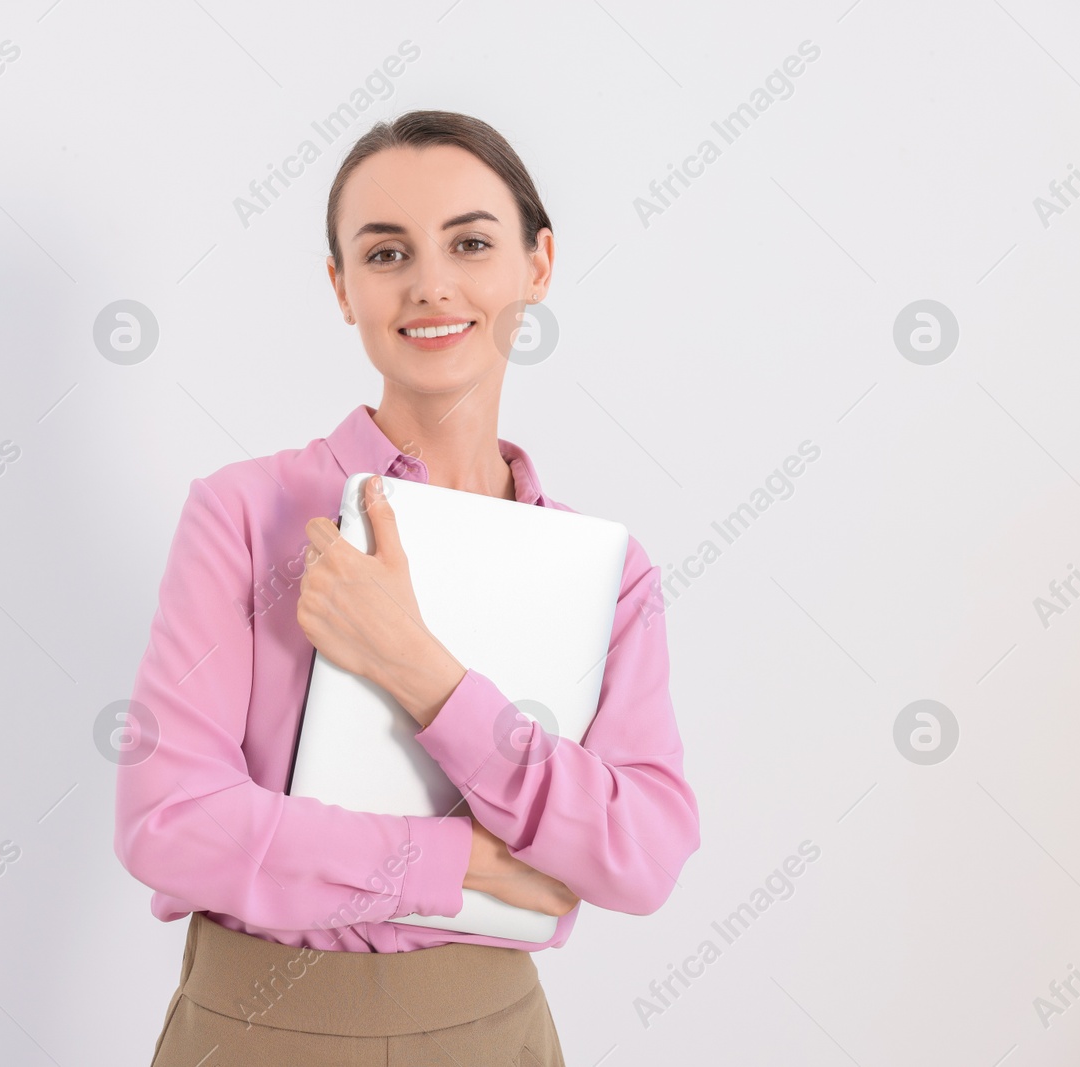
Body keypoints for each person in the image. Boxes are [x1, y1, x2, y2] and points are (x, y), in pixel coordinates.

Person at [114, 109, 701, 1065]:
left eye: (471, 243)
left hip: (493, 1032)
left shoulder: (605, 572)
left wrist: (420, 670)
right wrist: (454, 862)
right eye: (387, 253)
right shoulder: (245, 514)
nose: (431, 284)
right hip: (258, 1027)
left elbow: (643, 853)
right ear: (343, 287)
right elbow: (169, 824)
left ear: (537, 265)